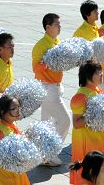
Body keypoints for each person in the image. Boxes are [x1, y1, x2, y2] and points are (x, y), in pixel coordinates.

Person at [32, 13, 71, 167]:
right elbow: (36, 68)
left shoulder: (56, 42)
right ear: (48, 27)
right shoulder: (41, 46)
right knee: (65, 120)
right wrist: (49, 62)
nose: (59, 27)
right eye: (57, 24)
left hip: (54, 87)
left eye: (59, 24)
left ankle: (44, 153)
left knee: (46, 123)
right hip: (47, 88)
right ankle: (49, 152)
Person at [0, 95, 29, 184]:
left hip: (17, 175)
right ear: (2, 112)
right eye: (14, 108)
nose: (18, 110)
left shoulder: (12, 125)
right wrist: (8, 156)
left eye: (18, 107)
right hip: (4, 179)